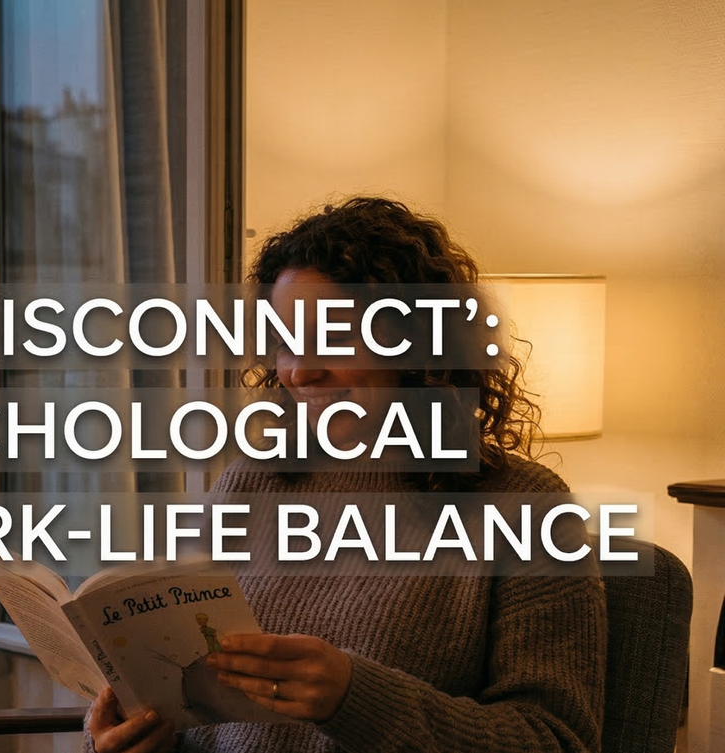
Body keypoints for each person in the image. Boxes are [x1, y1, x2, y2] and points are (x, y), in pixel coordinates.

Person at [83, 197, 607, 753]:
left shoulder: (526, 508)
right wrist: (132, 740)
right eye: (283, 343)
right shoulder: (249, 483)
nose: (300, 371)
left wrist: (355, 698)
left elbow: (556, 741)